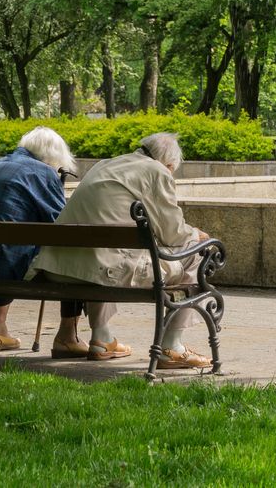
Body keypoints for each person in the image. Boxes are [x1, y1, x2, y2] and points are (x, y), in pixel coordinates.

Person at [30, 133, 213, 369]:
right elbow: (173, 234)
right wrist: (195, 233)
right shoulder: (156, 172)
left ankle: (102, 338)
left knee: (104, 254)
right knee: (201, 253)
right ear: (168, 165)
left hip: (58, 268)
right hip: (99, 270)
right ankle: (172, 346)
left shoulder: (105, 164)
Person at [0, 127, 88, 357]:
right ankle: (68, 337)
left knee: (4, 247)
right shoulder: (44, 173)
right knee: (74, 258)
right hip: (3, 265)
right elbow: (62, 228)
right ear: (54, 157)